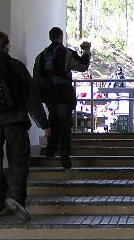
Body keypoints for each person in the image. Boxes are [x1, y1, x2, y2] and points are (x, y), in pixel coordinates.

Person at [0, 31, 50, 222]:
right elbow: (31, 97)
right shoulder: (16, 66)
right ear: (8, 46)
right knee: (18, 161)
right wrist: (44, 123)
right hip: (16, 122)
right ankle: (16, 198)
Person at [33, 26, 91, 169]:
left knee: (52, 120)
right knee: (64, 122)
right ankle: (64, 151)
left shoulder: (40, 56)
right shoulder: (66, 53)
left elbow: (36, 78)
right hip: (63, 93)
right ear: (60, 37)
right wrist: (87, 52)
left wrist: (40, 95)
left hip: (48, 94)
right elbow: (82, 66)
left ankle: (51, 151)